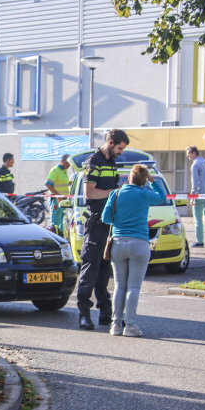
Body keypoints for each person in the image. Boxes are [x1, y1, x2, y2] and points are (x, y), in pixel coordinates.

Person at [101, 164, 166, 337]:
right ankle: (130, 326)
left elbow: (106, 218)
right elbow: (161, 197)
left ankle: (115, 326)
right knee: (133, 288)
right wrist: (152, 181)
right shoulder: (144, 194)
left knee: (119, 287)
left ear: (129, 177)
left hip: (118, 244)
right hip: (139, 244)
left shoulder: (116, 193)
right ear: (143, 181)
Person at [76, 129, 129, 330]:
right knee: (90, 268)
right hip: (97, 222)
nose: (121, 152)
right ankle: (83, 313)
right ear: (111, 142)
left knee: (105, 270)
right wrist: (115, 192)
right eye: (120, 148)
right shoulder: (94, 162)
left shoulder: (111, 161)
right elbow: (90, 193)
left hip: (110, 223)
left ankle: (105, 312)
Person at [45, 154, 71, 232]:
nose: (69, 165)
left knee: (62, 222)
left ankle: (60, 238)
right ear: (62, 160)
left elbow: (61, 183)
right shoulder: (55, 170)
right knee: (55, 223)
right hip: (57, 200)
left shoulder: (64, 171)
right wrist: (58, 196)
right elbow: (48, 184)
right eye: (68, 163)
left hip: (63, 200)